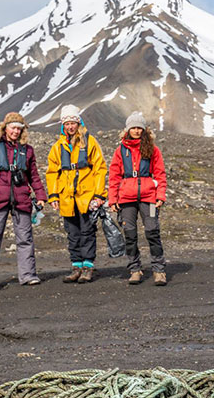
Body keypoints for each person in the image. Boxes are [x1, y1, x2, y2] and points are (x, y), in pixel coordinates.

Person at [0, 112, 47, 288]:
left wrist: (41, 196)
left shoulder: (28, 150)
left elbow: (34, 176)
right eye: (13, 128)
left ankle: (28, 275)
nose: (16, 132)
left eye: (19, 129)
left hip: (22, 200)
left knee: (25, 239)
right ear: (5, 128)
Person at [46, 105, 108, 283]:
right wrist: (54, 196)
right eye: (67, 123)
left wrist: (99, 195)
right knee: (72, 233)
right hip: (67, 197)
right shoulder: (58, 147)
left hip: (86, 197)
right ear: (63, 126)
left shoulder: (90, 142)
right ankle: (76, 266)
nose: (71, 126)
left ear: (78, 122)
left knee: (87, 232)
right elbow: (52, 173)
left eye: (73, 122)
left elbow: (99, 169)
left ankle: (88, 267)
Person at [108, 111, 168, 285]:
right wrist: (113, 199)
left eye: (139, 128)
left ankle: (159, 270)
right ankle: (135, 269)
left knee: (152, 231)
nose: (136, 131)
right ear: (127, 129)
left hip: (149, 197)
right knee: (130, 234)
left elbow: (160, 174)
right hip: (126, 199)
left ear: (144, 130)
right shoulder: (120, 151)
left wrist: (160, 195)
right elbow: (114, 176)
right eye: (133, 128)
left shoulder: (153, 149)